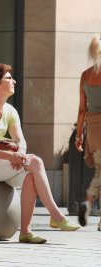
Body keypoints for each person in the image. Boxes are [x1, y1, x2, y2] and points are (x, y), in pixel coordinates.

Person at [0, 63, 80, 244]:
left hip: (2, 162)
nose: (14, 81)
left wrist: (19, 154)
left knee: (30, 176)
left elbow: (21, 141)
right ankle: (56, 215)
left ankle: (26, 232)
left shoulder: (10, 111)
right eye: (9, 78)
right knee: (35, 162)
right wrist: (12, 157)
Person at [76, 34, 101, 231]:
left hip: (92, 128)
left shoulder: (85, 75)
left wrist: (79, 135)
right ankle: (89, 201)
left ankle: (89, 205)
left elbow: (82, 109)